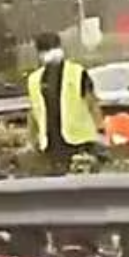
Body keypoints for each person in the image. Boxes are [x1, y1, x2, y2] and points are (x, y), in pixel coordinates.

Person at [26, 32, 104, 174]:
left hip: (79, 142)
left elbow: (91, 102)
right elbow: (34, 111)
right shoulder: (34, 79)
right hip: (51, 144)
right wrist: (32, 140)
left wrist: (100, 131)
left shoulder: (77, 72)